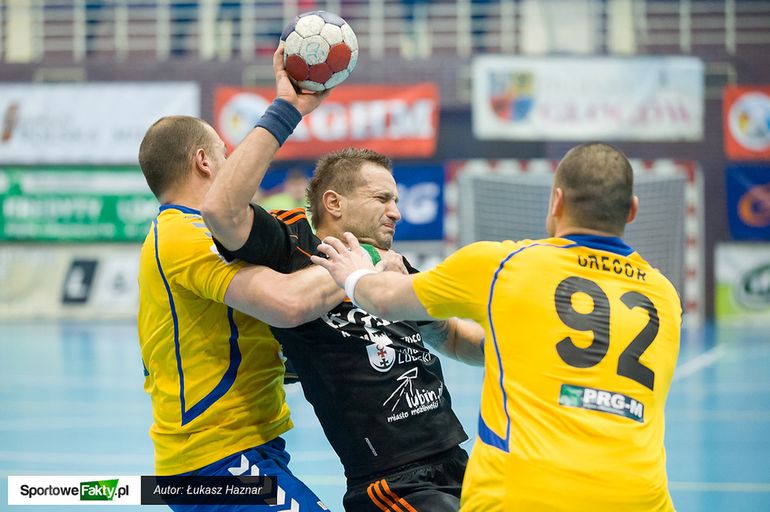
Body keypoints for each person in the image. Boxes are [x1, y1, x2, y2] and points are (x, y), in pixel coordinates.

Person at [312, 142, 681, 512]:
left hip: (524, 494)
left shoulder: (504, 264)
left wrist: (353, 272)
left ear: (556, 202)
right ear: (632, 210)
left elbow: (382, 299)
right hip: (643, 498)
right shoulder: (665, 295)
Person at [202, 144, 485, 511]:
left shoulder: (392, 267)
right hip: (393, 483)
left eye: (396, 200)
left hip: (457, 463)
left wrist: (519, 344)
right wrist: (285, 117)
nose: (396, 212)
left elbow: (453, 336)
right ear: (334, 203)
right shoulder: (294, 247)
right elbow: (222, 213)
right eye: (382, 199)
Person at [136, 46, 340, 511]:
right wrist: (363, 259)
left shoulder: (182, 233)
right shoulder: (186, 235)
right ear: (204, 162)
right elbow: (287, 303)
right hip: (216, 460)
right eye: (225, 155)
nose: (230, 165)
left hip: (241, 450)